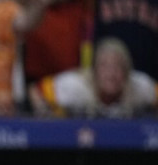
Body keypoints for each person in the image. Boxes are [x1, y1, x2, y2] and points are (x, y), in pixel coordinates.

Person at [29, 37, 158, 118]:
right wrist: (46, 113)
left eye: (118, 67)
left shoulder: (138, 86)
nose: (111, 74)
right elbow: (36, 90)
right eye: (104, 66)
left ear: (127, 71)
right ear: (94, 71)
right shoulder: (77, 86)